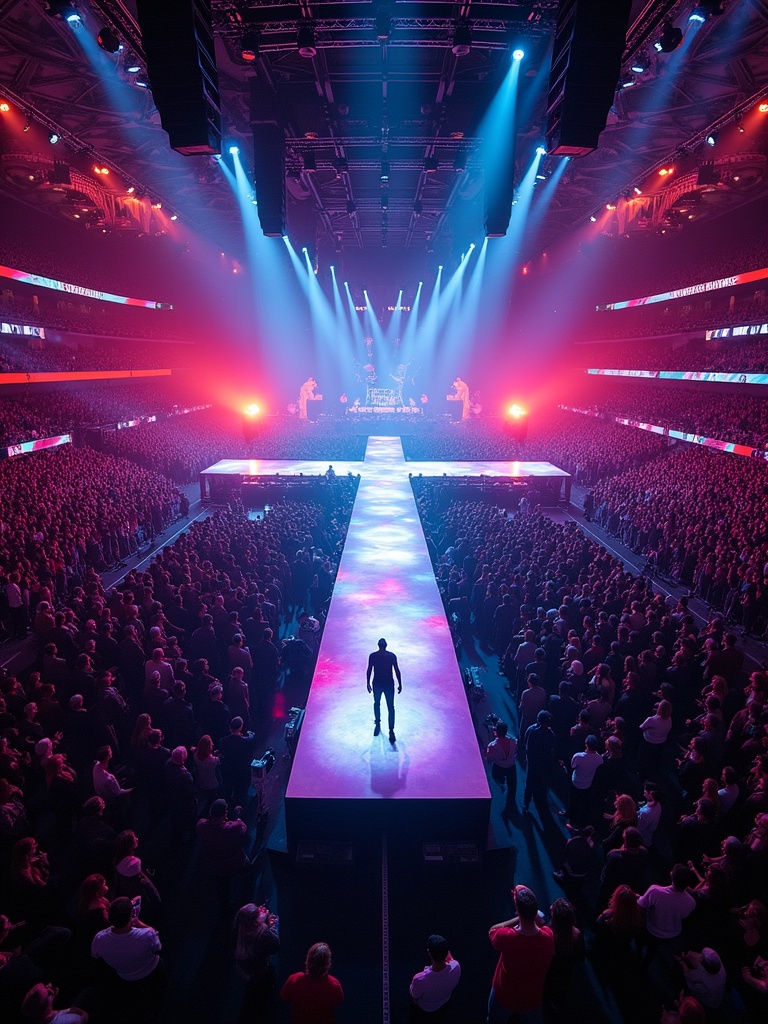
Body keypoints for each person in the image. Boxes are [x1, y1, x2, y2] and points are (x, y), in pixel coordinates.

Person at [487, 884, 554, 1023]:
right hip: (532, 998)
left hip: (504, 995)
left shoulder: (506, 937)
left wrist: (518, 918)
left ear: (518, 911)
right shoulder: (548, 936)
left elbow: (493, 930)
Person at [196, 799, 249, 911]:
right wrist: (237, 816)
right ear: (225, 813)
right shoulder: (233, 828)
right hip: (232, 862)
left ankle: (224, 905)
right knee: (245, 862)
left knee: (222, 885)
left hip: (212, 862)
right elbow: (243, 829)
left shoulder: (200, 826)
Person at [234, 903, 280, 1022]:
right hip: (260, 973)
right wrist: (273, 925)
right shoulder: (261, 931)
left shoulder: (242, 923)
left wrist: (259, 915)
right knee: (263, 1001)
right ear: (254, 920)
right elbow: (275, 946)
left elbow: (253, 923)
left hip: (245, 970)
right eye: (257, 912)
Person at [280, 941, 344, 1023]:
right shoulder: (334, 984)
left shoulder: (294, 979)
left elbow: (283, 996)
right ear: (327, 963)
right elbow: (339, 1001)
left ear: (308, 959)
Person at [408, 934, 460, 1022]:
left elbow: (414, 996)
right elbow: (450, 959)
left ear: (429, 953)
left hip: (424, 1010)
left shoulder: (419, 979)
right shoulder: (456, 966)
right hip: (443, 1005)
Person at [366, 638, 402, 743]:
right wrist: (400, 683)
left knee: (377, 704)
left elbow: (369, 670)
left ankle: (377, 724)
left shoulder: (373, 656)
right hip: (388, 684)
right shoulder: (391, 656)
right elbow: (396, 670)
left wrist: (367, 683)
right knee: (390, 707)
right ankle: (391, 730)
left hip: (377, 683)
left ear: (378, 645)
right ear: (386, 645)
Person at [486, 720, 517, 807]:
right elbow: (516, 751)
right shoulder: (513, 741)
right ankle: (511, 804)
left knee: (495, 776)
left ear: (496, 732)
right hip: (511, 766)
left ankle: (502, 783)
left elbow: (488, 757)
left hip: (499, 767)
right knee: (513, 786)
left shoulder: (493, 745)